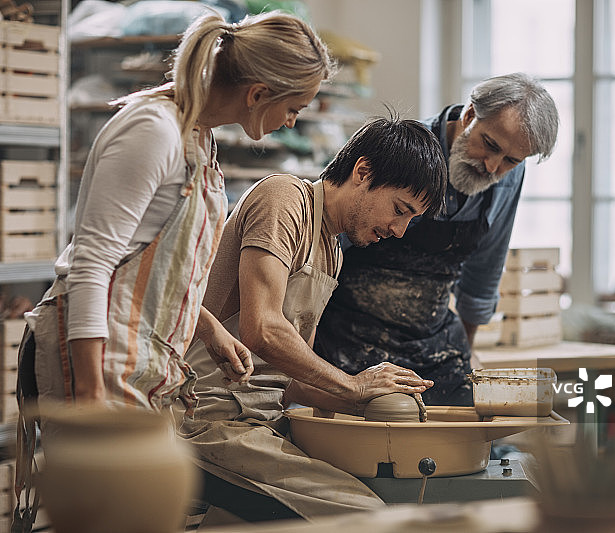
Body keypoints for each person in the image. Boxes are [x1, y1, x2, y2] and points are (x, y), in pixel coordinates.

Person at [13, 10, 333, 530]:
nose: (292, 122)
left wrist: (206, 328)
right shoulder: (152, 131)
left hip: (142, 356)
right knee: (106, 516)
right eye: (293, 107)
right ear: (257, 93)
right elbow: (93, 265)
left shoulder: (199, 140)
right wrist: (92, 398)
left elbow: (158, 260)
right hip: (93, 352)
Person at [178, 116, 447, 521]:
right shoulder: (284, 199)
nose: (400, 230)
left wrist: (371, 399)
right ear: (362, 172)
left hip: (262, 420)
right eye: (399, 210)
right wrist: (351, 386)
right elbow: (261, 329)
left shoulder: (333, 252)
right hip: (207, 417)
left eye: (411, 219)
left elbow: (292, 382)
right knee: (364, 514)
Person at [314, 73, 559, 406]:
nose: (492, 166)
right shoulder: (404, 150)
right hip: (349, 336)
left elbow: (482, 276)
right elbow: (326, 238)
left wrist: (465, 359)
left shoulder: (508, 178)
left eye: (511, 161)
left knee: (491, 417)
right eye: (489, 145)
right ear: (470, 115)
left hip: (433, 344)